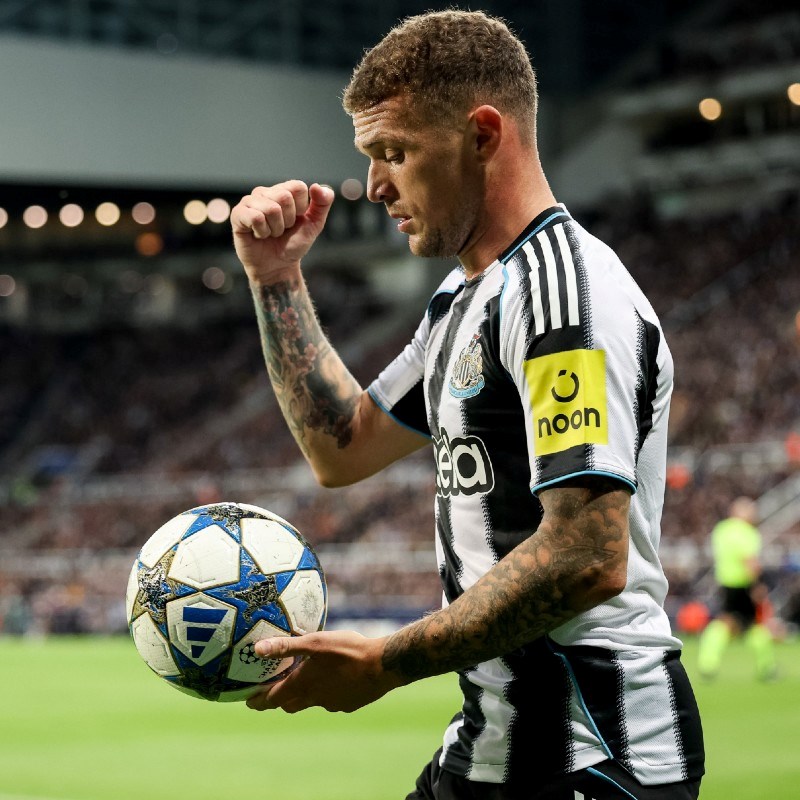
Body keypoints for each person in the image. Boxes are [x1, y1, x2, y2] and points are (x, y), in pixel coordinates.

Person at [230, 10, 704, 799]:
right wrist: (275, 279)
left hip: (593, 754)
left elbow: (588, 555)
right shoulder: (464, 298)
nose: (375, 186)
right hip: (492, 743)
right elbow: (342, 446)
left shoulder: (563, 297)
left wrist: (384, 663)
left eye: (395, 152)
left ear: (483, 135)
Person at [697, 496, 777, 681]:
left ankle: (707, 663)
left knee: (726, 624)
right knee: (753, 626)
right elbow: (749, 561)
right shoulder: (747, 532)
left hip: (725, 584)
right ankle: (766, 667)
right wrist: (757, 585)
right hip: (743, 585)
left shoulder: (721, 530)